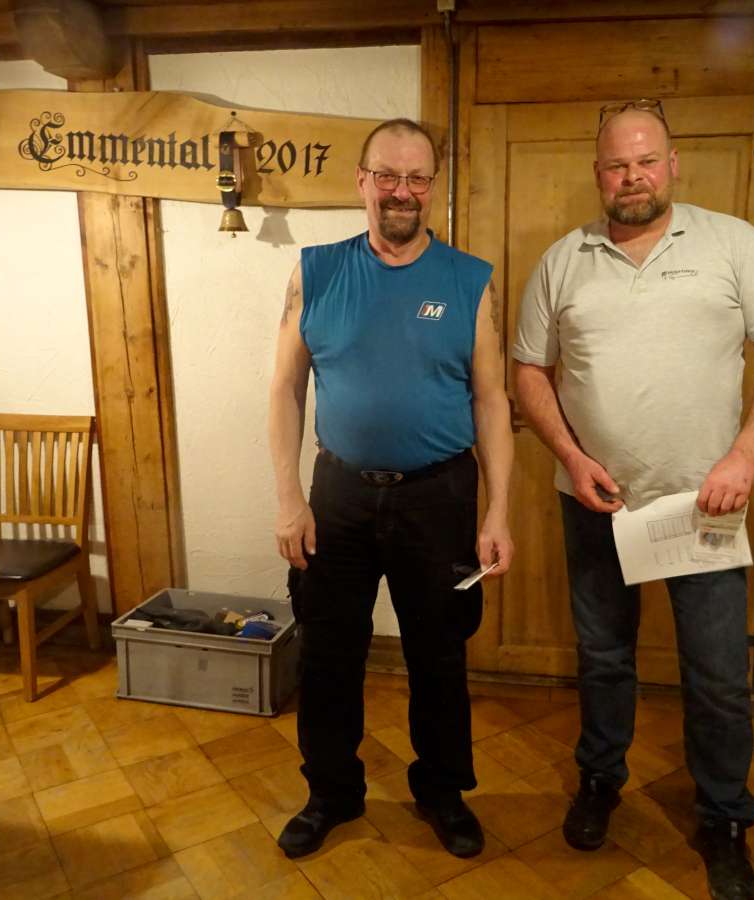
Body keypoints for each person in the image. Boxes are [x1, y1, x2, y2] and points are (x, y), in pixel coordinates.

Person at [512, 101, 754, 900]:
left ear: (672, 164)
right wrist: (570, 456)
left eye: (646, 161)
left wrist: (746, 454)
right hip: (596, 502)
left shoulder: (733, 244)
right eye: (617, 164)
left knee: (716, 675)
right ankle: (599, 781)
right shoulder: (563, 261)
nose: (632, 177)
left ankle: (725, 819)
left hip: (703, 506)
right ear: (598, 173)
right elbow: (529, 370)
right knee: (604, 657)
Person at [267, 117, 514, 861]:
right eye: (387, 175)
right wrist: (289, 498)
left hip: (439, 498)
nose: (401, 191)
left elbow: (491, 400)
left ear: (432, 186)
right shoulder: (315, 272)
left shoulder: (470, 280)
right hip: (338, 496)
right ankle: (330, 793)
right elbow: (284, 390)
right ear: (362, 182)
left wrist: (499, 510)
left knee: (439, 655)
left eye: (416, 178)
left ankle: (441, 792)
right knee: (328, 654)